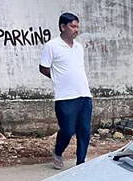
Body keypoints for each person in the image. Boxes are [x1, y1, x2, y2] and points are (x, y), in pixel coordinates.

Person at [39, 12, 92, 169]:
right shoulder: (52, 46)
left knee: (84, 131)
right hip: (65, 97)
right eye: (73, 26)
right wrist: (58, 78)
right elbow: (43, 68)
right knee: (68, 130)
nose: (76, 29)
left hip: (84, 94)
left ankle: (81, 163)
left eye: (77, 26)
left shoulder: (78, 47)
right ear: (63, 27)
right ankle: (57, 152)